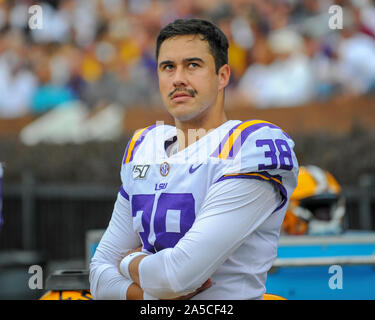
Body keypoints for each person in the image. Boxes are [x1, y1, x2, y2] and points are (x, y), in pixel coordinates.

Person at [89, 18, 298, 300]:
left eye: (193, 65)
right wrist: (153, 295)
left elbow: (176, 277)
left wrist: (128, 263)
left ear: (223, 76)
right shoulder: (144, 144)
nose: (178, 79)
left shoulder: (252, 145)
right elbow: (99, 276)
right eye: (168, 67)